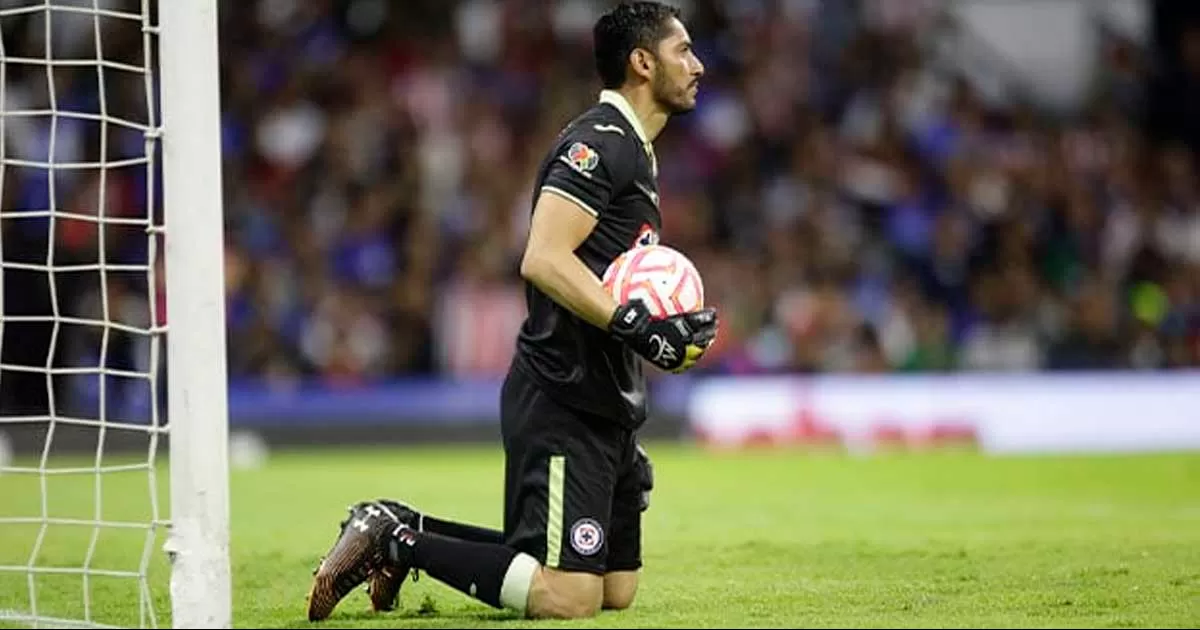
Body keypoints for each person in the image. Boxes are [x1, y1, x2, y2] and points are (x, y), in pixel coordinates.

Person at [306, 1, 717, 621]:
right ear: (641, 61)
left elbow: (611, 276)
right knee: (569, 597)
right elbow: (544, 258)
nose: (698, 65)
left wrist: (659, 339)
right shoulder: (596, 145)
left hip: (605, 399)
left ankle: (406, 525)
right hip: (561, 395)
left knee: (615, 589)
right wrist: (636, 324)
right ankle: (392, 537)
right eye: (683, 50)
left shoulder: (637, 150)